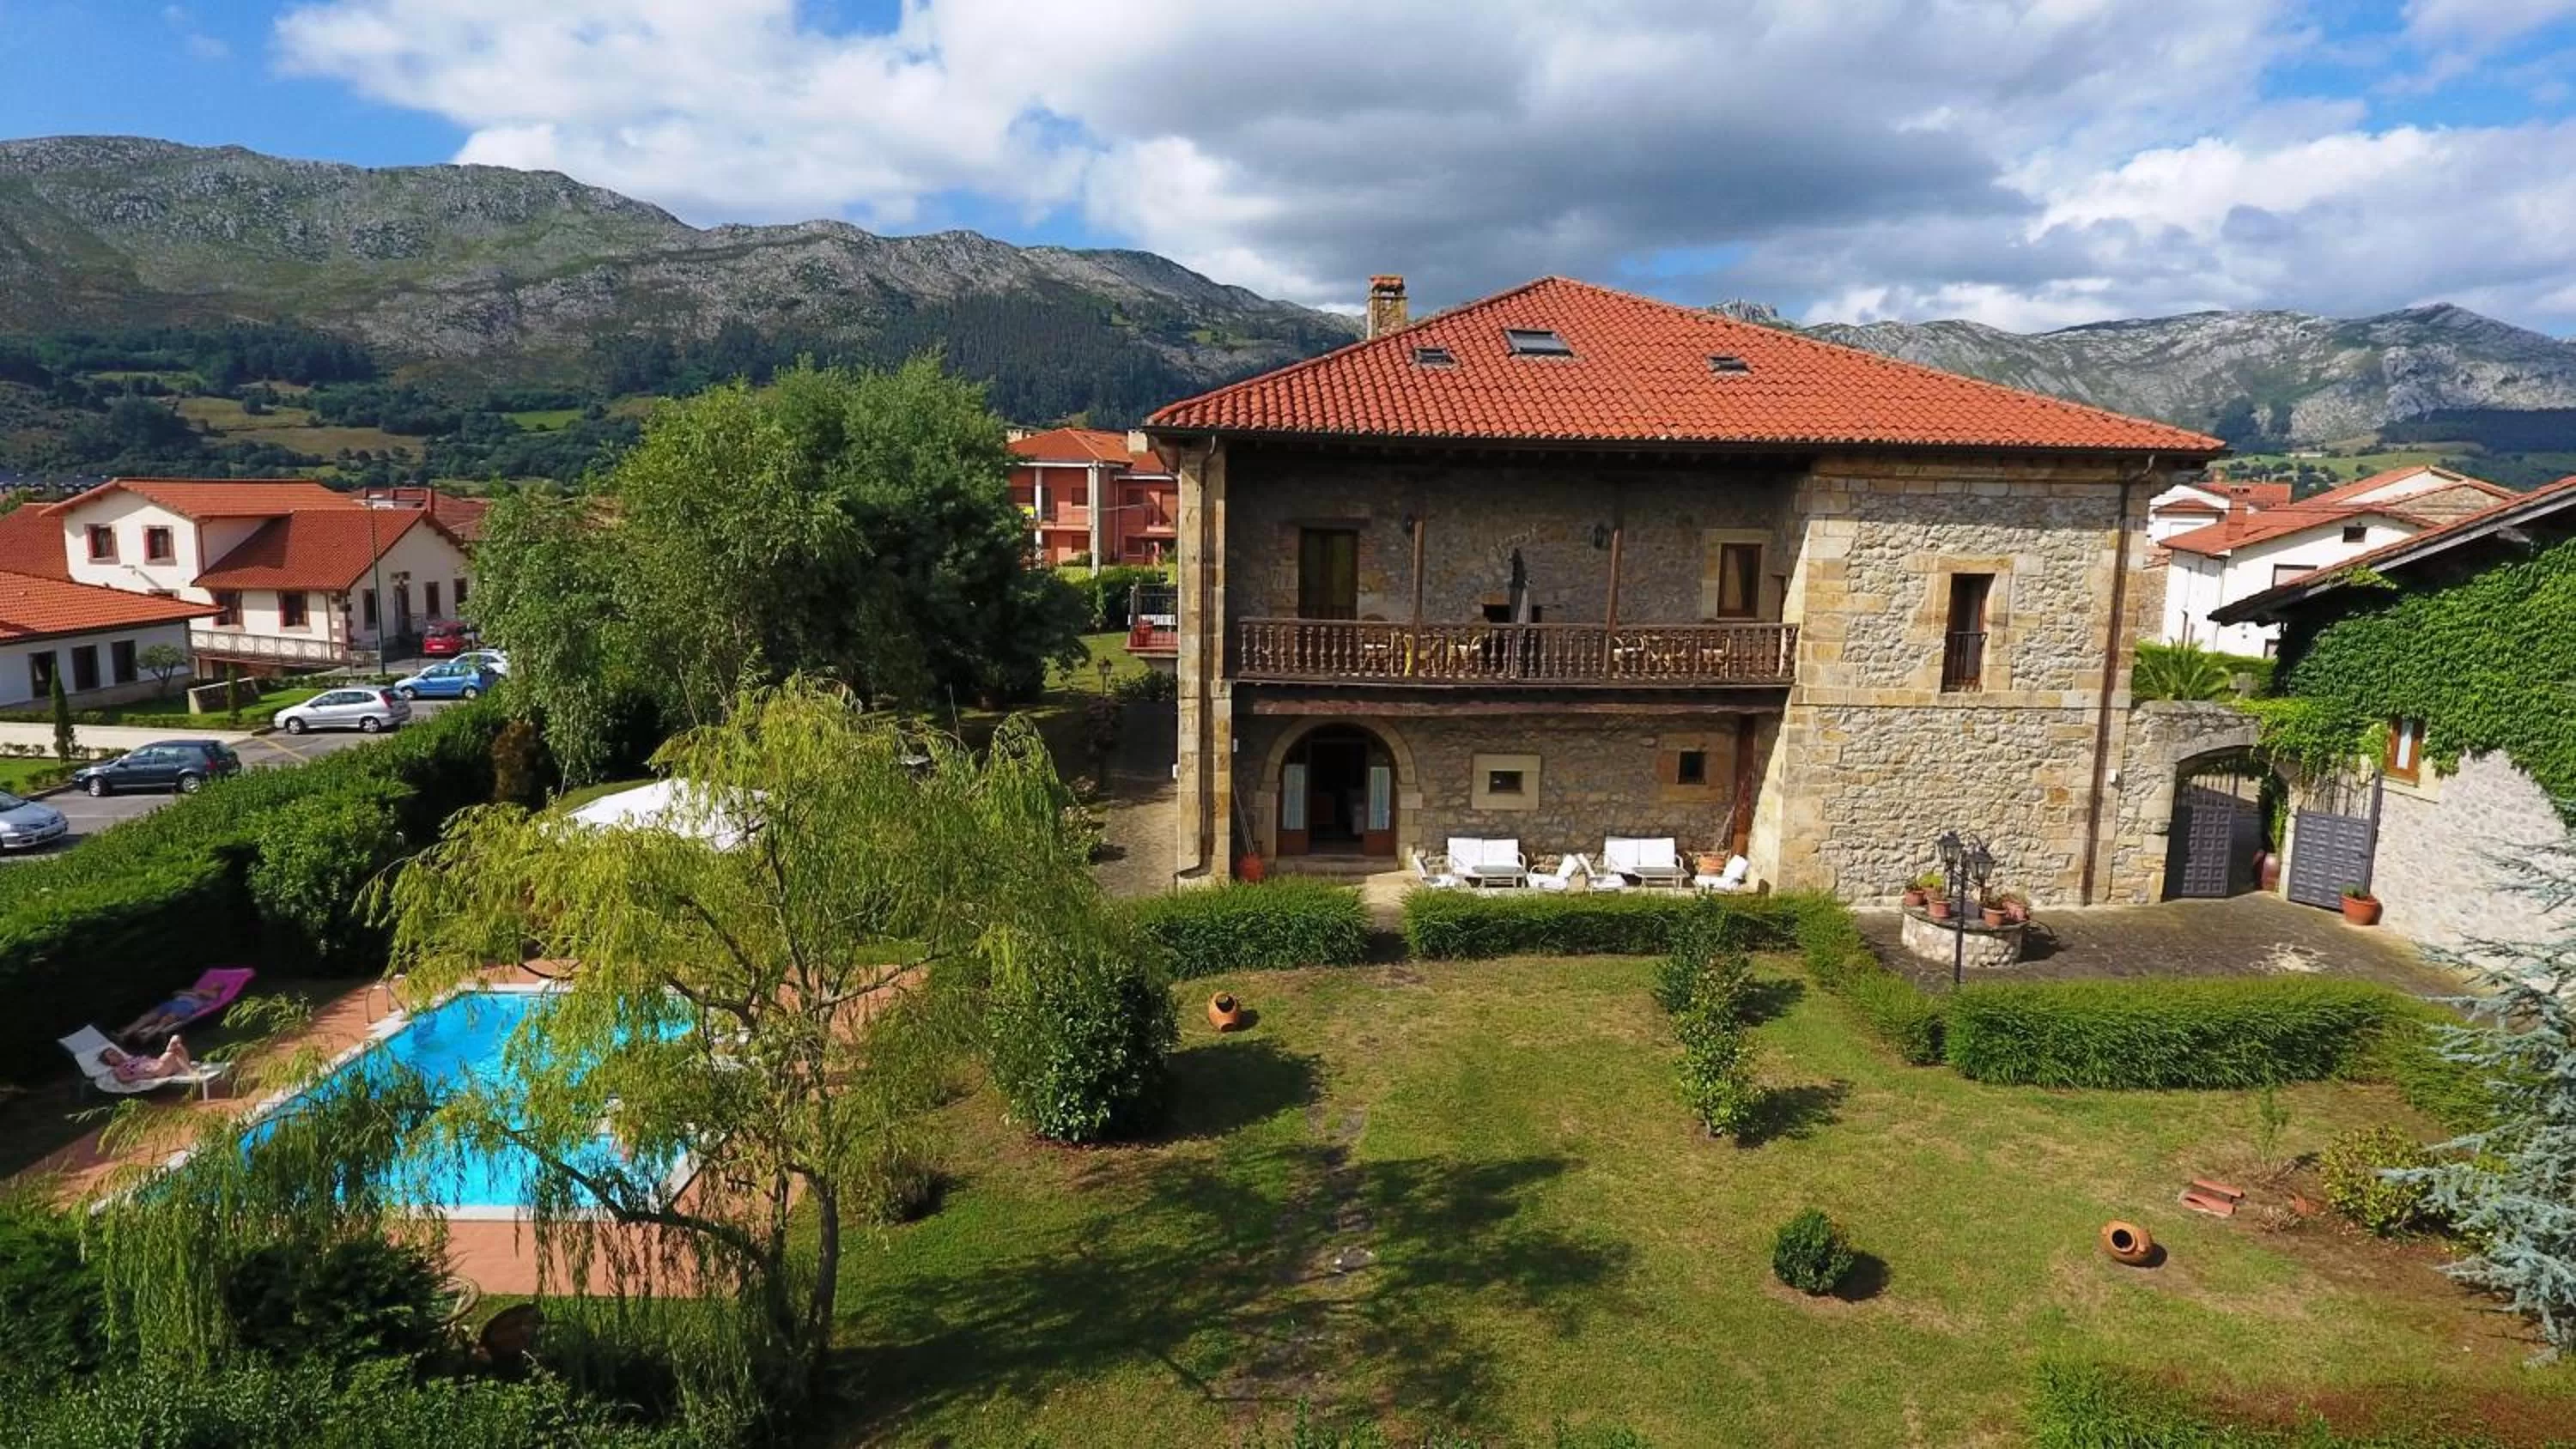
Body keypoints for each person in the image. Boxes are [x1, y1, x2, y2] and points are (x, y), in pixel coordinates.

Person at [117, 985, 220, 1044]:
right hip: (171, 1003)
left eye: (217, 984)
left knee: (167, 1019)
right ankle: (124, 1034)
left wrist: (189, 992)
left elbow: (209, 995)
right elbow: (176, 992)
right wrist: (188, 992)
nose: (214, 983)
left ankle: (147, 1036)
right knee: (146, 1017)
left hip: (186, 1006)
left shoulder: (213, 994)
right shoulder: (196, 991)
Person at [98, 1035, 194, 1084]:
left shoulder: (131, 1058)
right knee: (171, 1051)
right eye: (112, 1054)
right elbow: (123, 1079)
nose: (116, 1053)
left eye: (115, 1051)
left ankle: (189, 1070)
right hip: (157, 1070)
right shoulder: (117, 1069)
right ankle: (170, 1048)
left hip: (165, 1066)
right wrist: (145, 1076)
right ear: (110, 1062)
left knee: (179, 1047)